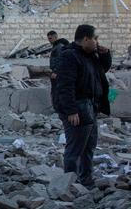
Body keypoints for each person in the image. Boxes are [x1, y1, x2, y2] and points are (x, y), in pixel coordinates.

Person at [55, 24, 112, 187]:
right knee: (75, 149)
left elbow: (101, 71)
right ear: (86, 39)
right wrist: (71, 111)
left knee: (89, 147)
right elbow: (65, 86)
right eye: (95, 38)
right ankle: (70, 185)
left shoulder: (90, 55)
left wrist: (105, 54)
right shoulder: (70, 56)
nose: (97, 42)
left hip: (90, 108)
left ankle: (86, 180)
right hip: (78, 109)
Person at [47, 30, 70, 111]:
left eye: (50, 38)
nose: (49, 40)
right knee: (55, 91)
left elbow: (61, 60)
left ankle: (59, 109)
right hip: (56, 72)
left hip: (58, 73)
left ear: (55, 37)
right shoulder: (56, 46)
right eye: (48, 38)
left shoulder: (59, 47)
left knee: (57, 91)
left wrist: (56, 72)